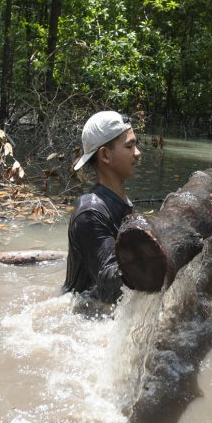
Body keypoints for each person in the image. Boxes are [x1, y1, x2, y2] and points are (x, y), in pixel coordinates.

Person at [62, 111, 141, 312]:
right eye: (129, 146)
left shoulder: (121, 201)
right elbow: (110, 286)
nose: (137, 153)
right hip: (83, 318)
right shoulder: (90, 212)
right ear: (105, 155)